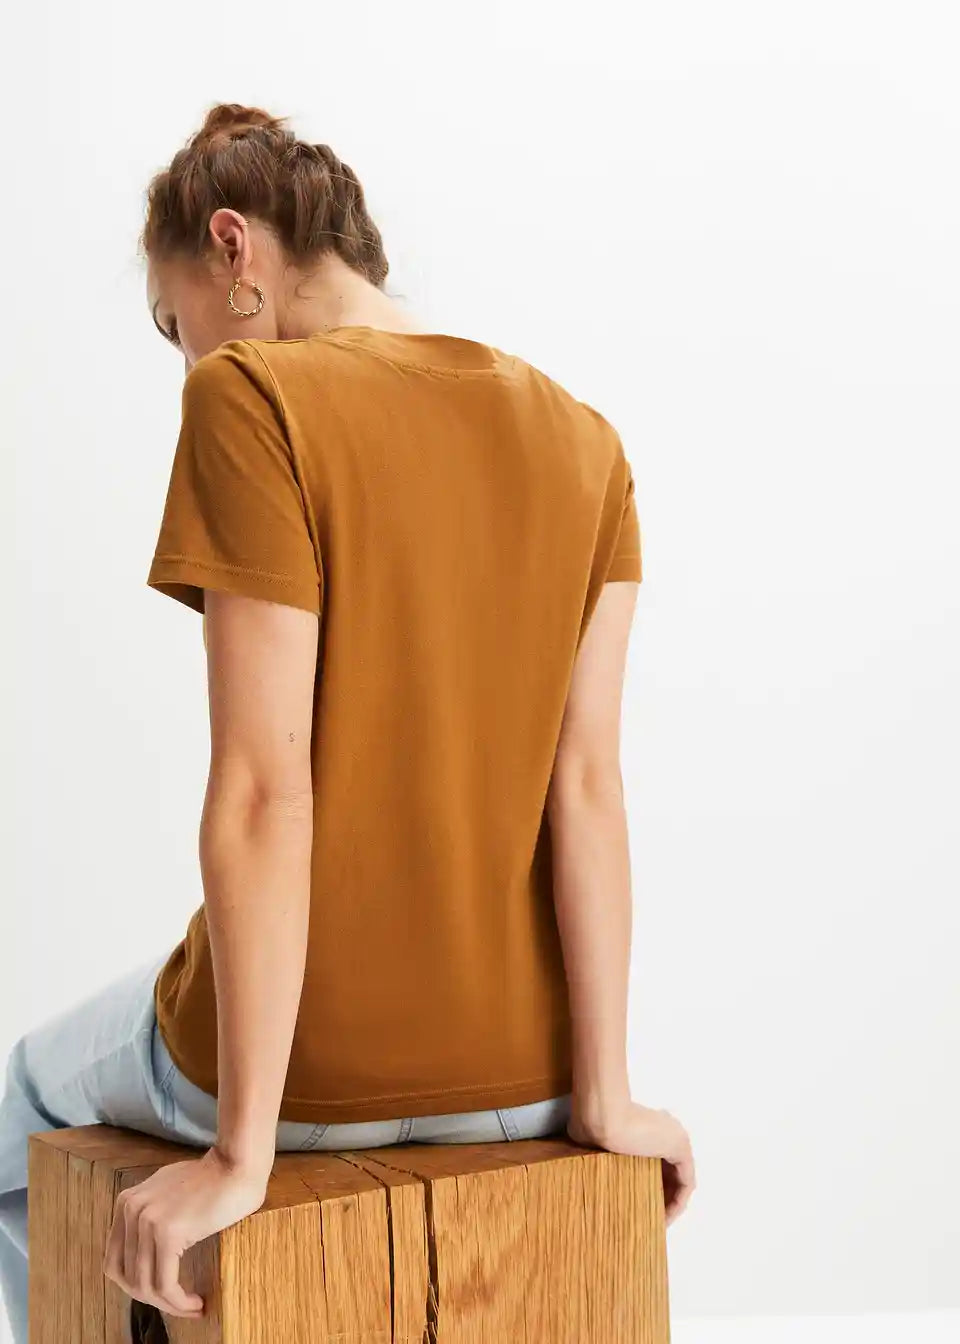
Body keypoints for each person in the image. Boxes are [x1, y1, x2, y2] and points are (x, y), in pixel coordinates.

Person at [0, 101, 695, 1339]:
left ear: (234, 249)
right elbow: (587, 789)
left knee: (17, 1099)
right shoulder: (589, 443)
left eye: (174, 321)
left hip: (302, 1072)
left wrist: (242, 1153)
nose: (186, 358)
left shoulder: (250, 396)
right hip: (528, 1073)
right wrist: (608, 1094)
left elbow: (264, 794)